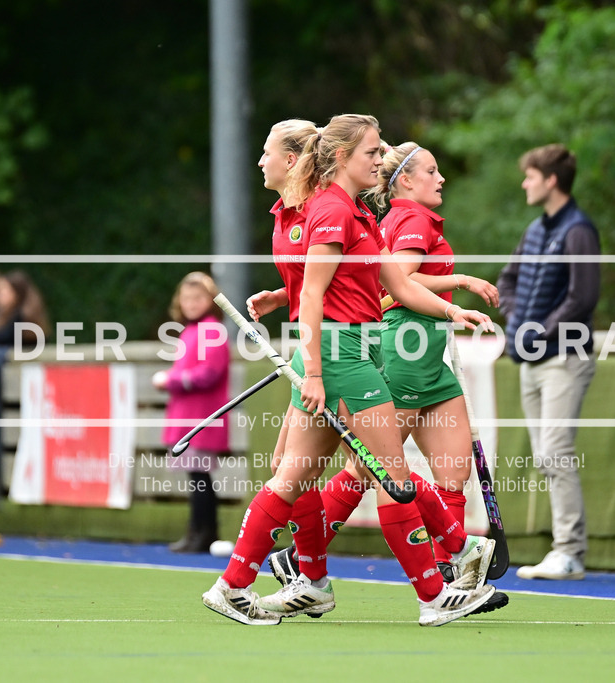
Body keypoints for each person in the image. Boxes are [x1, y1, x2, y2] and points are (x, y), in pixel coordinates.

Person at [202, 114, 498, 627]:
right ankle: (434, 594)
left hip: (344, 352)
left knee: (293, 476)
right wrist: (314, 371)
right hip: (343, 356)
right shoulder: (334, 211)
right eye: (372, 152)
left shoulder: (348, 209)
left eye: (381, 151)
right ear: (341, 157)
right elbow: (313, 295)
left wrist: (454, 309)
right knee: (391, 476)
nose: (380, 161)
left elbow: (398, 286)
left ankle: (241, 585)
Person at [266, 141, 504, 589]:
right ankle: (301, 561)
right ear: (407, 181)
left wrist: (453, 310)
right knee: (373, 466)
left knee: (452, 470)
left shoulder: (380, 218)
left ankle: (453, 570)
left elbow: (356, 274)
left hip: (430, 358)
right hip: (405, 351)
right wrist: (462, 282)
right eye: (432, 171)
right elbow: (401, 278)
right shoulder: (410, 216)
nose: (441, 179)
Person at [496, 143, 600, 581]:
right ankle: (565, 549)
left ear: (551, 180)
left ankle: (569, 551)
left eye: (531, 176)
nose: (525, 183)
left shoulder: (578, 230)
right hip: (532, 362)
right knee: (545, 456)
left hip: (566, 359)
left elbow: (583, 296)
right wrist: (519, 321)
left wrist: (538, 329)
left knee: (555, 453)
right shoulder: (535, 230)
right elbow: (508, 281)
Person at [153, 272, 230, 553]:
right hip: (187, 415)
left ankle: (204, 533)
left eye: (198, 298)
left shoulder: (212, 330)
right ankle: (199, 531)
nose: (191, 303)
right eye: (186, 298)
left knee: (200, 476)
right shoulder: (190, 331)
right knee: (196, 476)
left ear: (210, 300)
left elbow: (208, 373)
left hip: (203, 416)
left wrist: (170, 380)